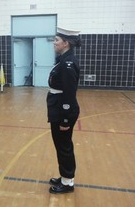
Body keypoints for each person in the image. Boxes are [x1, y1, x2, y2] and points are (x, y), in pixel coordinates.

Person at [46, 27, 81, 194]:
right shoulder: (63, 59)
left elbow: (69, 94)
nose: (54, 43)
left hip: (62, 111)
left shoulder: (68, 64)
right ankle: (65, 177)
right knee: (61, 145)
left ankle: (68, 183)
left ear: (66, 43)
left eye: (56, 40)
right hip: (58, 108)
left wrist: (65, 119)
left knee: (64, 147)